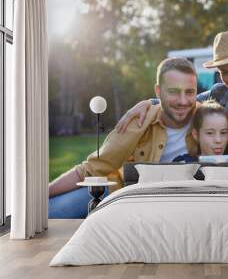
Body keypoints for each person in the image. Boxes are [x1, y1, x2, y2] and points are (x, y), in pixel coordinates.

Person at [49, 57, 199, 218]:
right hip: (122, 195)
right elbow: (91, 169)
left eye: (190, 92)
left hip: (176, 205)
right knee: (47, 212)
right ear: (158, 91)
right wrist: (42, 193)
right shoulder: (139, 121)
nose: (183, 101)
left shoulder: (210, 119)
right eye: (173, 91)